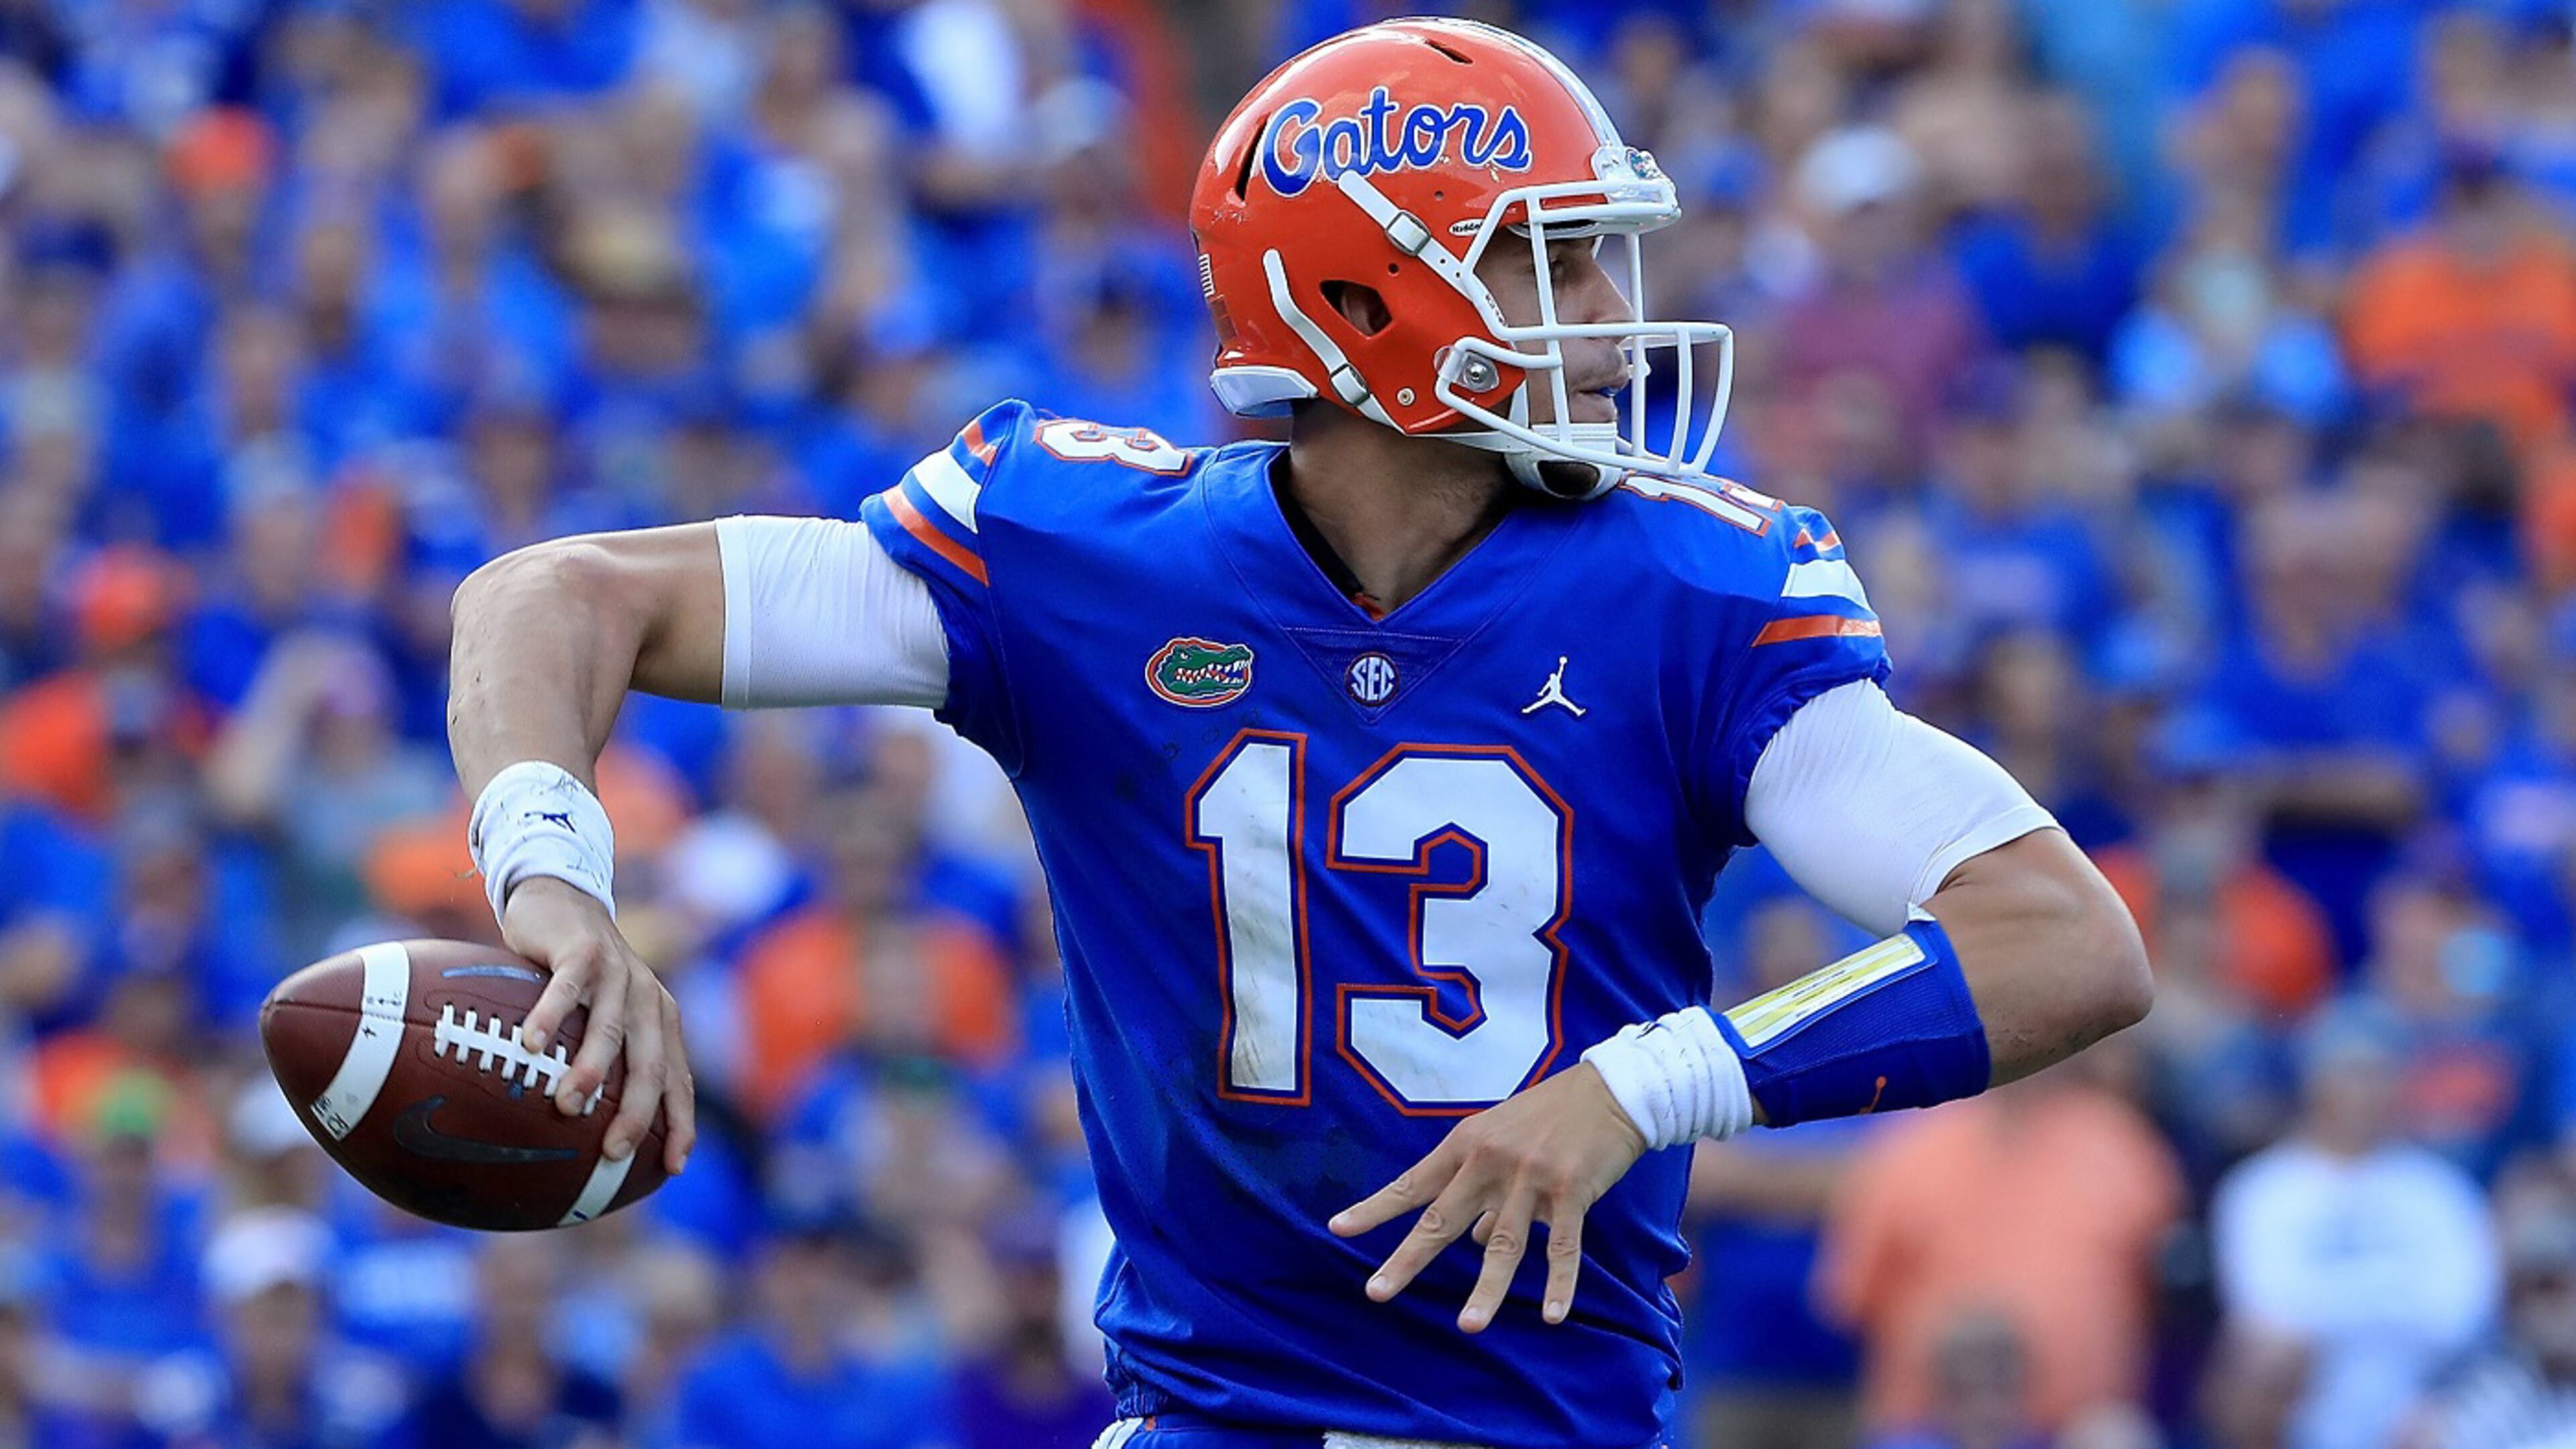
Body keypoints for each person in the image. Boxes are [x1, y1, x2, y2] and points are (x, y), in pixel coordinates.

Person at [444, 19, 2151, 1447]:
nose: (1610, 315)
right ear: (1356, 305)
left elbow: (2061, 940)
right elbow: (555, 595)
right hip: (1207, 1413)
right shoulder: (1078, 559)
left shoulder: (1689, 593)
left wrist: (1642, 1087)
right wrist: (558, 890)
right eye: (1546, 259)